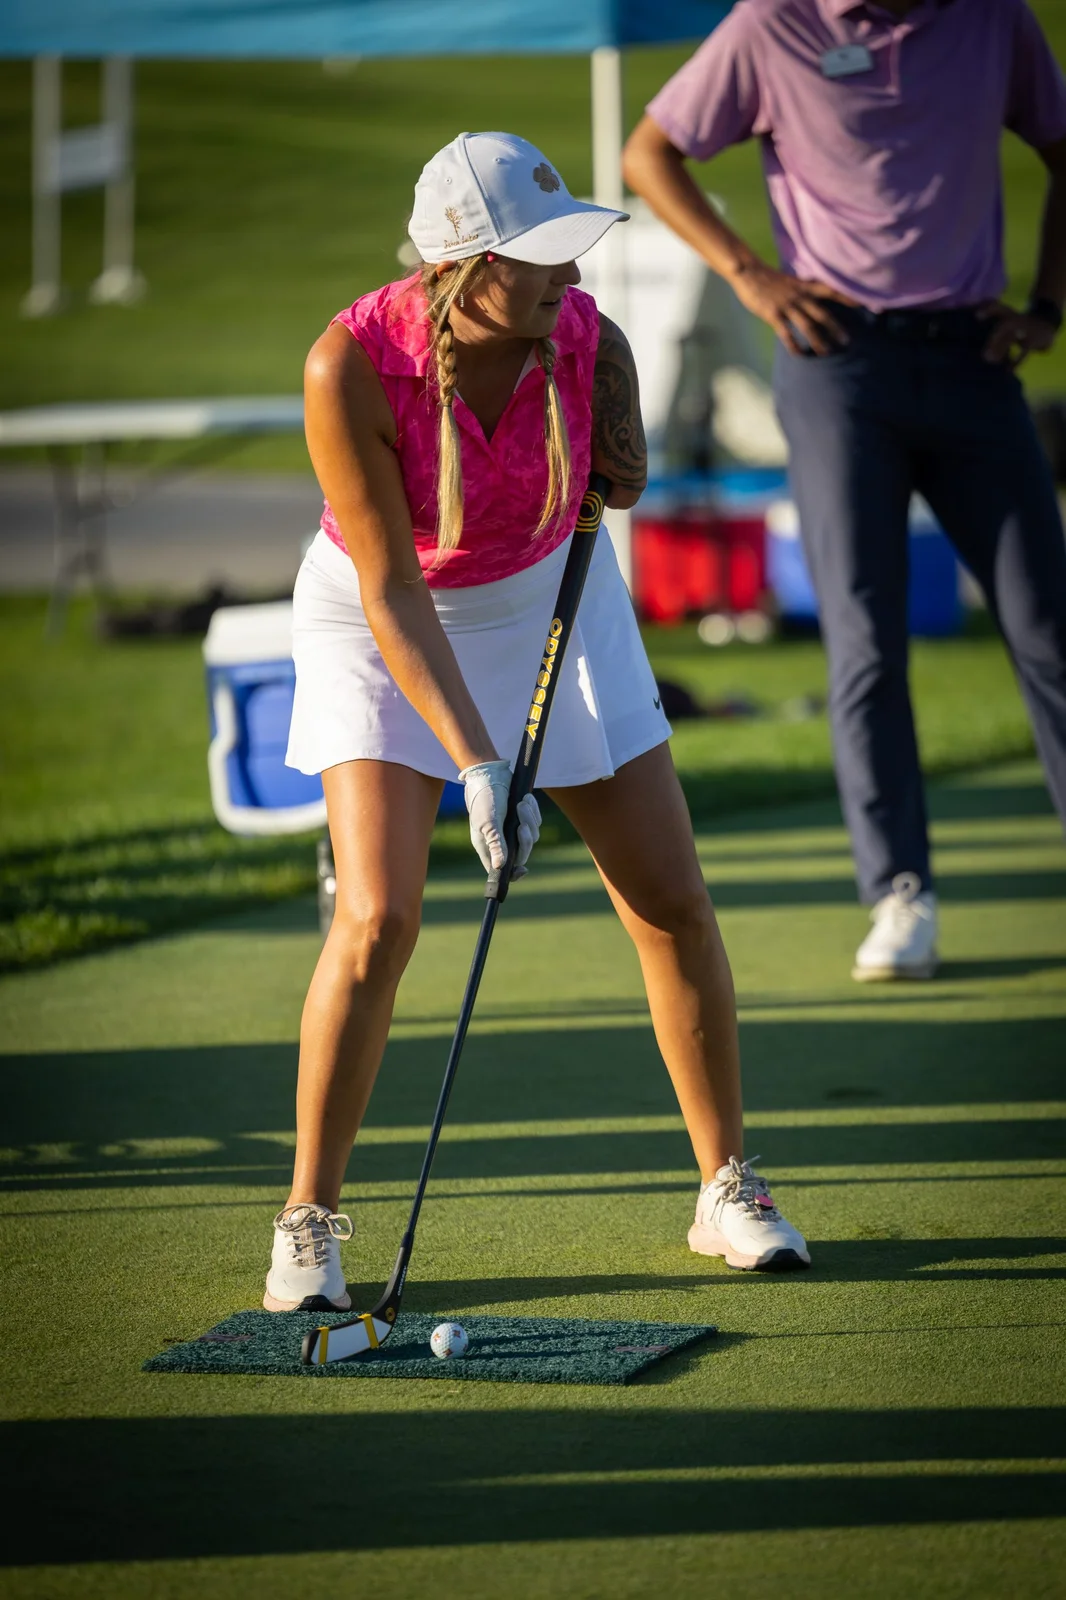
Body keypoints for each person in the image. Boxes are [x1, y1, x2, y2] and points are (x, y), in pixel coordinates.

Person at [264, 131, 810, 1311]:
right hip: (383, 614)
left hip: (550, 600)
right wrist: (475, 761)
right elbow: (390, 589)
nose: (570, 277)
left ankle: (726, 1184)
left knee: (669, 896)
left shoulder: (583, 336)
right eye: (539, 258)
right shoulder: (346, 365)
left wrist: (620, 461)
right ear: (461, 268)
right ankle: (307, 1221)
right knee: (376, 919)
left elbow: (614, 491)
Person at [624, 0, 1066, 981]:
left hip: (972, 356)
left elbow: (1060, 143)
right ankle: (898, 892)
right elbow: (648, 153)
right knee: (865, 636)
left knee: (1047, 628)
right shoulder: (770, 24)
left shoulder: (994, 19)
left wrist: (1048, 303)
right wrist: (747, 274)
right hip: (835, 361)